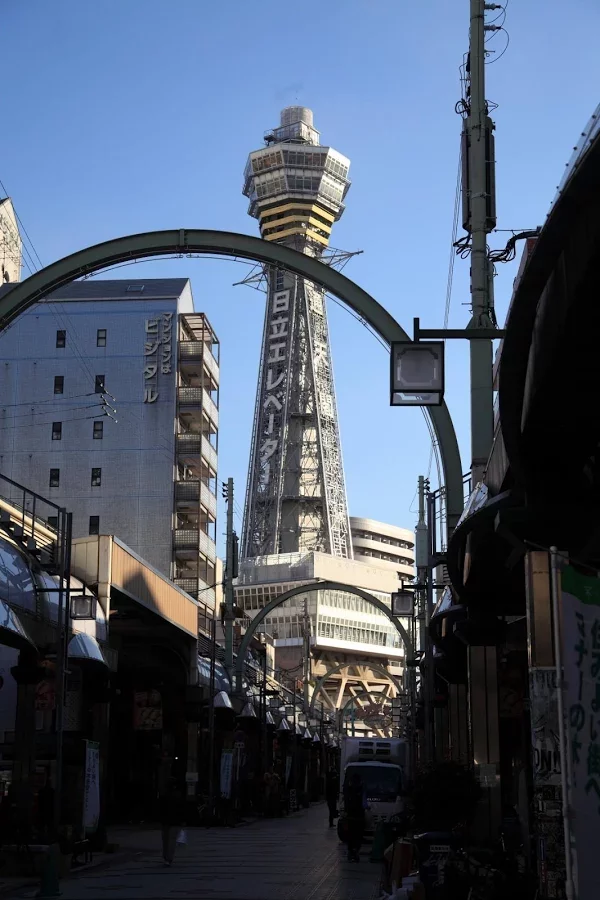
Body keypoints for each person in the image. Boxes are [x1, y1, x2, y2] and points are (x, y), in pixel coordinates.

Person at [159, 777, 185, 866]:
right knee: (172, 840)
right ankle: (169, 859)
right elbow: (182, 809)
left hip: (165, 820)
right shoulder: (179, 795)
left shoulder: (164, 795)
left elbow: (160, 808)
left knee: (165, 840)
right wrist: (182, 820)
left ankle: (165, 856)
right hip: (176, 821)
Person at [343, 772, 366, 862]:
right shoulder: (361, 790)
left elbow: (345, 802)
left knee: (350, 835)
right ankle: (355, 852)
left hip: (350, 817)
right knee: (358, 836)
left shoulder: (348, 789)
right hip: (359, 817)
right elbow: (364, 804)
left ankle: (350, 851)